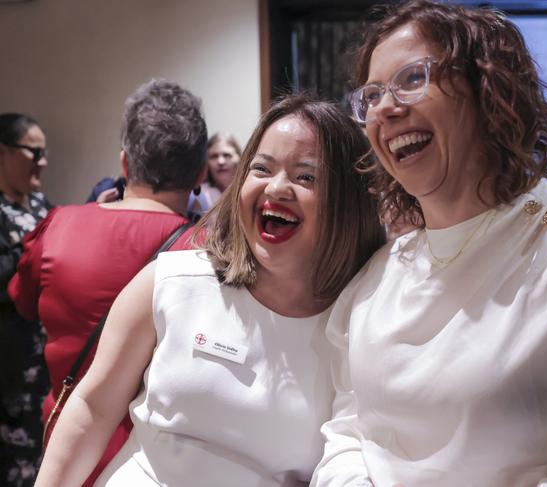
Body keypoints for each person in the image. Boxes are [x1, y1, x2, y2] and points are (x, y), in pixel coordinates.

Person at [311, 2, 547, 486]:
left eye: (412, 78)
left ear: (487, 89)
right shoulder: (376, 277)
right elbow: (347, 433)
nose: (385, 108)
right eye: (371, 95)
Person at [32, 94, 385, 487]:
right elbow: (93, 408)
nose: (278, 188)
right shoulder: (172, 281)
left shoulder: (360, 321)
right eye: (262, 168)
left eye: (307, 177)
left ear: (348, 201)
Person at [8, 79, 208, 487]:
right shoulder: (205, 251)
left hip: (66, 447)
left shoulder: (58, 227)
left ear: (123, 163)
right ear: (201, 172)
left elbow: (23, 303)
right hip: (161, 463)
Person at [0, 113, 52, 487]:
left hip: (43, 365)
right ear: (3, 153)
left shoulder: (39, 204)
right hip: (7, 370)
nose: (43, 161)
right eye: (34, 152)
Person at [188, 131, 242, 216]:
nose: (221, 162)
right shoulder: (197, 196)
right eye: (214, 156)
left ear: (239, 159)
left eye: (227, 155)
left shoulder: (248, 193)